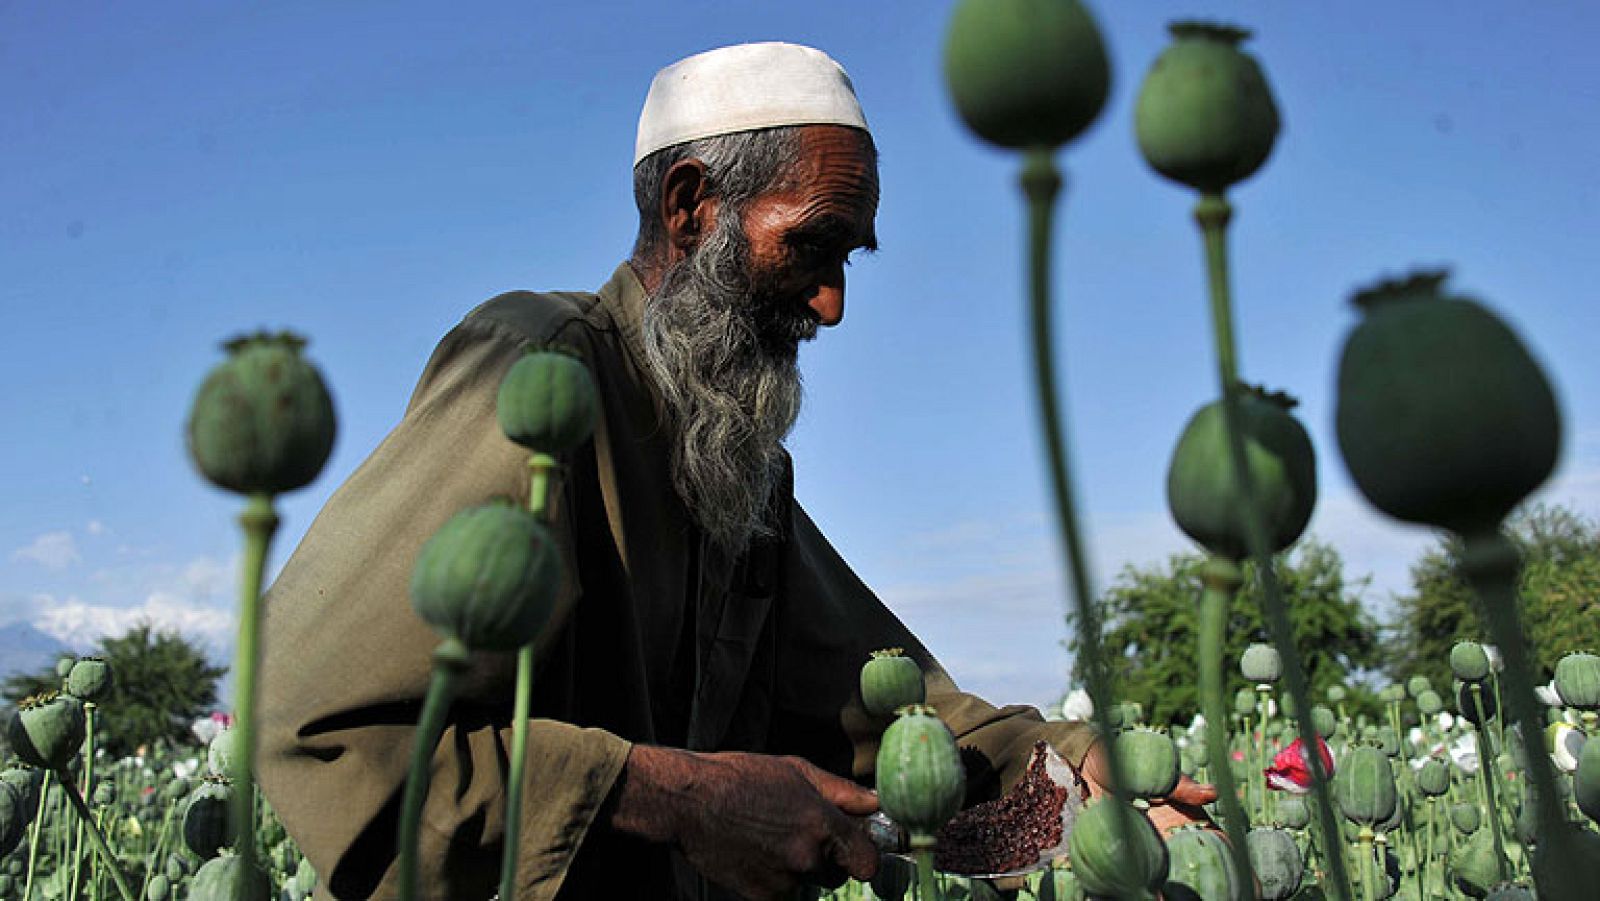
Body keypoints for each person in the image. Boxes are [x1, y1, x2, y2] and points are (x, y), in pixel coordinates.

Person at [256, 42, 1214, 901]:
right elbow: (317, 720)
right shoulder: (541, 371)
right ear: (691, 204)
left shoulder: (737, 464)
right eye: (813, 242)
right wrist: (677, 797)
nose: (834, 304)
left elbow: (887, 706)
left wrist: (1077, 768)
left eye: (850, 257)